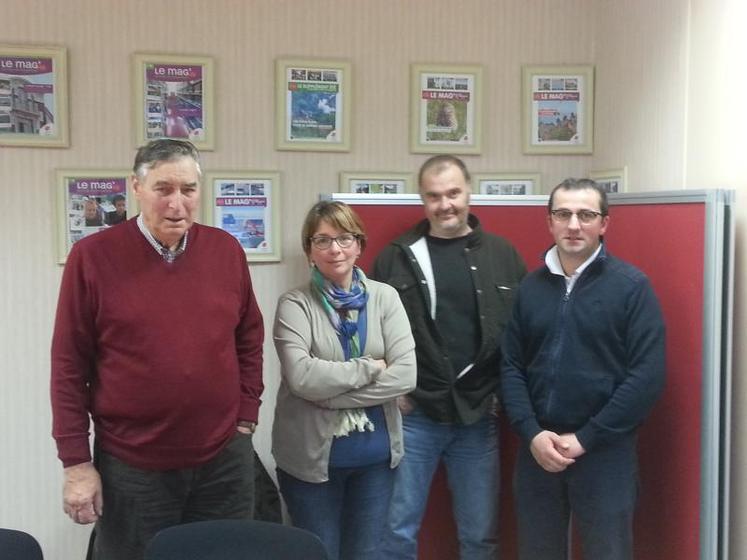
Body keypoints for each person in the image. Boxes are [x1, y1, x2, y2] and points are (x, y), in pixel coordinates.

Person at [51, 139, 264, 560]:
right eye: (163, 189)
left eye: (188, 189)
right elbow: (68, 365)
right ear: (136, 187)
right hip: (133, 464)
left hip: (223, 457)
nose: (177, 203)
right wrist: (76, 462)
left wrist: (246, 416)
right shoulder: (92, 257)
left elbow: (249, 338)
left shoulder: (226, 250)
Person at [371, 155, 527, 559]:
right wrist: (391, 390)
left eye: (454, 193)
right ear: (422, 200)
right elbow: (370, 331)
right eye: (434, 196)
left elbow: (523, 336)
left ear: (470, 190)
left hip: (478, 419)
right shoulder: (397, 255)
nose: (446, 205)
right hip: (415, 416)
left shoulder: (502, 255)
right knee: (396, 531)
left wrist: (503, 394)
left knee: (480, 536)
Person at [501, 178, 666, 560]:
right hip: (538, 450)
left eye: (586, 215)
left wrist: (587, 437)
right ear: (550, 222)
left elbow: (646, 377)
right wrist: (533, 433)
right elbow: (510, 366)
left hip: (604, 452)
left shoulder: (632, 288)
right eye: (563, 214)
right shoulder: (529, 288)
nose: (574, 225)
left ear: (604, 224)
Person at [272, 200, 416, 560]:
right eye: (322, 240)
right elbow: (303, 377)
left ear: (359, 245)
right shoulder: (295, 304)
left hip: (375, 462)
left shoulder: (386, 298)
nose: (334, 249)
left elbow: (406, 375)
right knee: (319, 554)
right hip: (310, 465)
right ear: (309, 250)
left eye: (344, 238)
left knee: (366, 554)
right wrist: (370, 367)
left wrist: (330, 394)